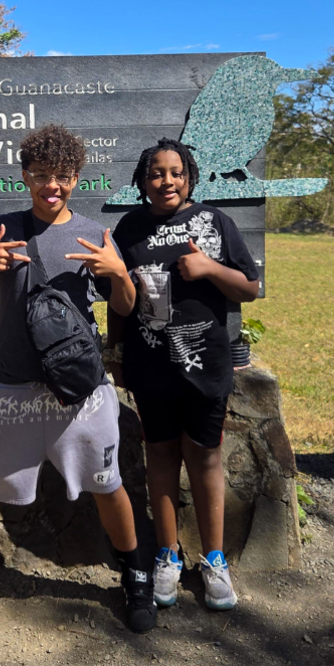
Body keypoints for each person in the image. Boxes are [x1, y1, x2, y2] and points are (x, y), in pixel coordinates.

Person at [0, 125, 157, 633]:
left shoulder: (93, 233)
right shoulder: (2, 226)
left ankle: (134, 574)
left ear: (75, 177)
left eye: (61, 176)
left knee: (109, 484)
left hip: (82, 391)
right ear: (24, 176)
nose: (50, 185)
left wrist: (117, 272)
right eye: (40, 175)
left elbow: (124, 306)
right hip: (13, 383)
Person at [107, 138, 258, 612]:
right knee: (159, 457)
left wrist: (209, 267)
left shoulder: (215, 223)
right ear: (142, 180)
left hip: (206, 365)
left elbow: (250, 287)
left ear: (190, 177)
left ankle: (214, 560)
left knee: (205, 458)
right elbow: (118, 298)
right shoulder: (128, 229)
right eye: (156, 173)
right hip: (151, 363)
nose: (166, 181)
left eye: (175, 172)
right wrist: (116, 352)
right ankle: (167, 555)